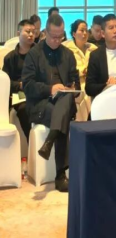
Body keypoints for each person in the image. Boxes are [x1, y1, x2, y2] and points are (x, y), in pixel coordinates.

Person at [22, 14, 79, 192]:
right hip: (40, 104)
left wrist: (71, 87)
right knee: (61, 117)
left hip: (64, 101)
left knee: (66, 100)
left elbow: (75, 83)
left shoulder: (68, 54)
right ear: (45, 32)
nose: (57, 40)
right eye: (53, 36)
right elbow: (28, 85)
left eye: (60, 36)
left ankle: (49, 141)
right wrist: (50, 89)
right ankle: (60, 175)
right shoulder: (34, 54)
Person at [2, 19, 35, 142]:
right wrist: (20, 85)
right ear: (18, 33)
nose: (31, 35)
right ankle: (32, 142)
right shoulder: (10, 58)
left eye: (33, 32)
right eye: (28, 31)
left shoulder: (40, 54)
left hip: (38, 91)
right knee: (24, 109)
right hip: (19, 95)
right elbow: (5, 83)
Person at [63, 20, 97, 121]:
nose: (85, 33)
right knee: (83, 95)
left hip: (92, 82)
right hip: (77, 84)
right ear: (74, 34)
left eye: (86, 30)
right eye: (81, 30)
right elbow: (66, 71)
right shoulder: (66, 50)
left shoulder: (93, 48)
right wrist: (82, 71)